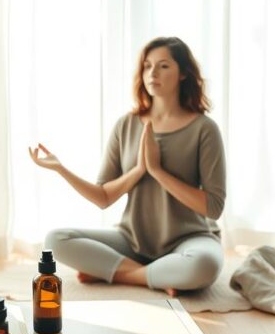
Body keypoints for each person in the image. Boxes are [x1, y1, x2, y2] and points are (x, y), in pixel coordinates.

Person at [29, 37, 226, 296]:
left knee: (205, 265)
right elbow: (103, 197)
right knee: (55, 240)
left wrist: (157, 171)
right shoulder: (127, 124)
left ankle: (117, 272)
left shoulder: (204, 129)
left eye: (163, 66)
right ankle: (154, 275)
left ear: (183, 74)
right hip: (132, 239)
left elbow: (213, 208)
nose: (152, 73)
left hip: (189, 239)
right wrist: (62, 169)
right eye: (147, 66)